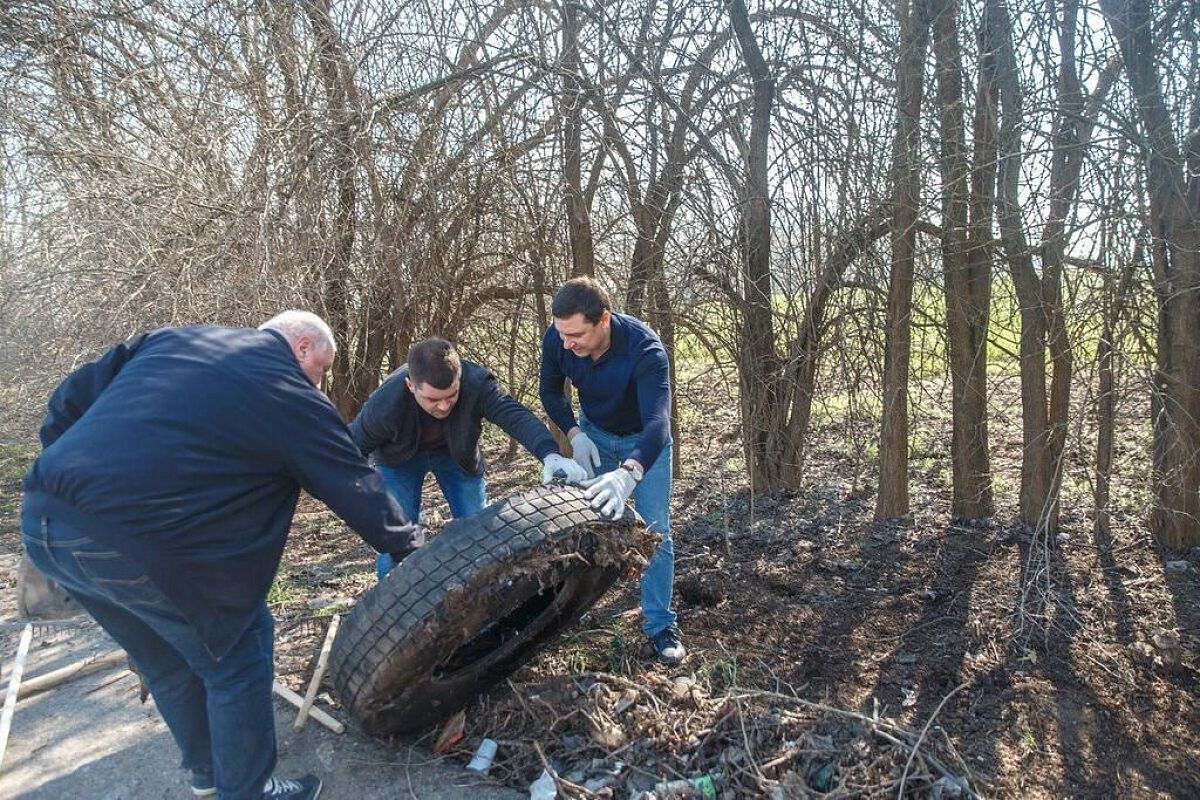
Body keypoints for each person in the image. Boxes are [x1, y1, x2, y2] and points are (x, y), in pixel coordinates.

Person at [20, 311, 427, 800]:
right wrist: (415, 550)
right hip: (141, 547)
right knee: (238, 654)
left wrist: (71, 483)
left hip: (46, 521)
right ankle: (247, 791)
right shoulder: (285, 391)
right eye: (322, 369)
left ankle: (210, 775)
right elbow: (353, 483)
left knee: (167, 661)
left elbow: (67, 399)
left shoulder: (172, 342)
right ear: (301, 347)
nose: (321, 384)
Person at [349, 338, 589, 578]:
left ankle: (485, 598)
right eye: (433, 399)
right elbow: (348, 454)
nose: (443, 406)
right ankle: (391, 611)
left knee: (480, 534)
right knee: (394, 541)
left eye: (451, 395)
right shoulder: (384, 404)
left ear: (460, 377)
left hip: (456, 455)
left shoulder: (476, 383)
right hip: (398, 461)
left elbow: (514, 416)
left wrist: (550, 454)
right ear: (411, 385)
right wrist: (367, 510)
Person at [539, 277, 684, 664]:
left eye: (576, 335)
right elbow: (550, 392)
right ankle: (571, 612)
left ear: (603, 319)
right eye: (561, 335)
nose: (567, 344)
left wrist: (629, 473)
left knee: (656, 531)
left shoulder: (645, 349)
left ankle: (659, 625)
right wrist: (574, 434)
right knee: (586, 522)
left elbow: (658, 423)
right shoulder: (558, 338)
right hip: (594, 435)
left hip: (644, 445)